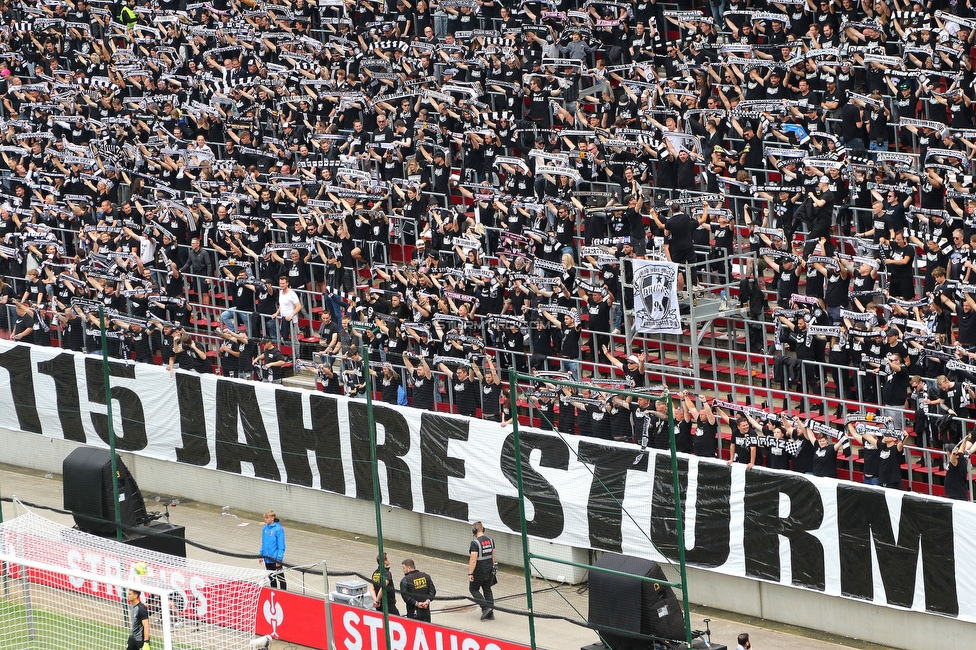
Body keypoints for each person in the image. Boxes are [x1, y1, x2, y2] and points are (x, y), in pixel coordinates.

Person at [468, 521, 496, 620]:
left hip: (479, 571)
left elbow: (473, 559)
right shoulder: (491, 540)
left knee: (473, 589)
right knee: (487, 590)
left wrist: (470, 573)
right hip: (489, 570)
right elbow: (493, 556)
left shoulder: (475, 543)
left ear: (474, 531)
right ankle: (491, 613)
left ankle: (485, 608)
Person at [260, 509, 287, 590]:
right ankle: (274, 592)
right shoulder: (264, 528)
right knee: (271, 578)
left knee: (281, 578)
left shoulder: (278, 529)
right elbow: (263, 543)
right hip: (267, 559)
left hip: (275, 559)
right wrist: (261, 555)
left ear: (272, 518)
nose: (266, 519)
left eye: (267, 518)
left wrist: (279, 559)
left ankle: (284, 593)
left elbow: (281, 545)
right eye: (265, 518)